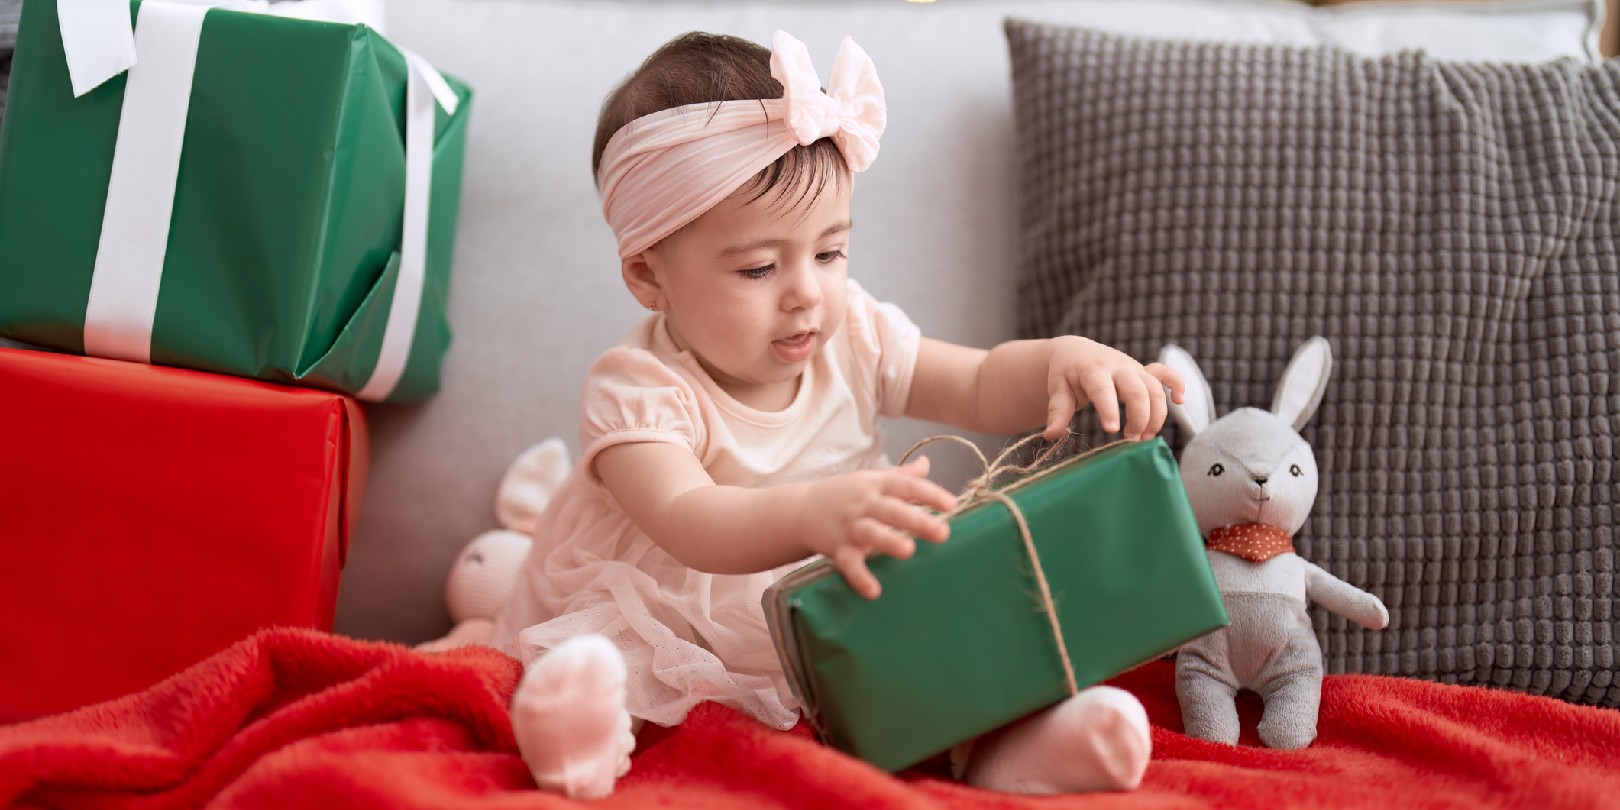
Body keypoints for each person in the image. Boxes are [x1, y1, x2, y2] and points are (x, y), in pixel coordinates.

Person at [488, 29, 1185, 801]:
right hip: (684, 610)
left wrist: (1060, 360)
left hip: (843, 586)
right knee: (620, 658)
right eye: (759, 267)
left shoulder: (849, 331)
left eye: (829, 253)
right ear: (648, 275)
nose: (807, 294)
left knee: (960, 630)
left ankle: (1018, 751)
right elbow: (689, 516)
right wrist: (813, 513)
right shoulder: (638, 387)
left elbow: (980, 382)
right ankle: (578, 730)